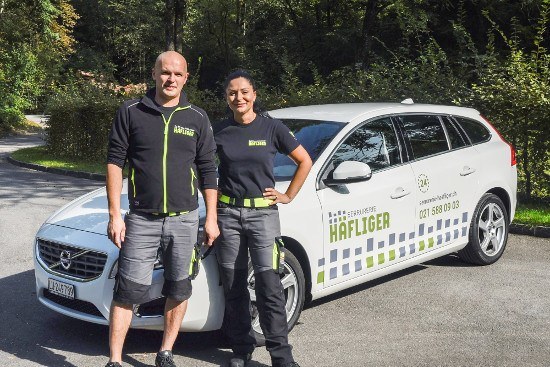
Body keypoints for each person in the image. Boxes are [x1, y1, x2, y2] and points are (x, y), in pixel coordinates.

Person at [105, 51, 219, 367]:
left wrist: (211, 216)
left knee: (179, 287)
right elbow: (115, 162)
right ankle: (115, 360)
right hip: (141, 218)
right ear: (154, 74)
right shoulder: (131, 111)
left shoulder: (197, 117)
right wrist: (115, 214)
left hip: (184, 220)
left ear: (185, 78)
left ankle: (165, 351)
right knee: (127, 290)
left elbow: (209, 169)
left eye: (177, 74)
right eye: (165, 72)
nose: (171, 79)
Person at [213, 70, 312, 367]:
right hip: (228, 215)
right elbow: (198, 164)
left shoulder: (272, 128)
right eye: (232, 93)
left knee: (269, 286)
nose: (238, 97)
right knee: (234, 286)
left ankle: (282, 356)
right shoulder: (218, 130)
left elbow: (304, 160)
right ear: (226, 98)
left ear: (254, 95)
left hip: (263, 217)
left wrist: (288, 195)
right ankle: (241, 350)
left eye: (244, 92)